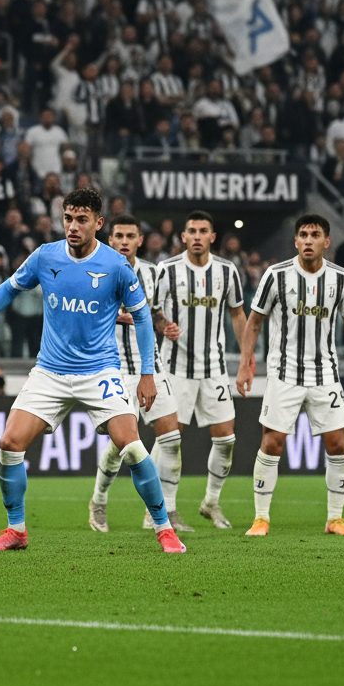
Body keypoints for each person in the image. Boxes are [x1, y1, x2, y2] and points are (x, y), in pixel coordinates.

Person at [0, 188, 186, 554]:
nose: (73, 226)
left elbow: (142, 318)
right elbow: (10, 287)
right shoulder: (45, 256)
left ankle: (163, 528)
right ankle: (16, 530)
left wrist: (146, 373)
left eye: (81, 220)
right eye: (68, 218)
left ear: (99, 223)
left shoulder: (116, 266)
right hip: (50, 371)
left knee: (133, 447)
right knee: (9, 444)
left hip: (100, 372)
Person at [236, 214, 344, 536]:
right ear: (295, 241)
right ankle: (261, 518)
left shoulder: (340, 278)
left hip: (326, 373)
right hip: (283, 373)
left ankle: (335, 519)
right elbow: (254, 320)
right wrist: (245, 363)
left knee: (338, 444)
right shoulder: (276, 275)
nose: (308, 240)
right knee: (272, 443)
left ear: (327, 242)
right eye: (302, 234)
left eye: (315, 235)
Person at [152, 211, 251, 529]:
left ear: (212, 237)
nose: (196, 235)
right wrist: (164, 325)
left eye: (203, 231)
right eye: (191, 230)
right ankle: (166, 510)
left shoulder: (226, 270)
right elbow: (151, 311)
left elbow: (238, 314)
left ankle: (211, 502)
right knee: (170, 440)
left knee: (226, 439)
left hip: (214, 369)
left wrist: (247, 359)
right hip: (176, 369)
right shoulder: (166, 270)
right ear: (183, 237)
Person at [89, 216, 183, 533]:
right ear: (109, 239)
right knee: (121, 445)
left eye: (131, 236)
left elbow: (153, 311)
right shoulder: (95, 269)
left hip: (149, 365)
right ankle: (98, 501)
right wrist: (122, 316)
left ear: (140, 240)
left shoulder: (152, 273)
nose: (124, 241)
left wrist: (163, 325)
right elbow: (87, 311)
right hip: (112, 367)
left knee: (171, 437)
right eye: (119, 235)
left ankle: (159, 510)